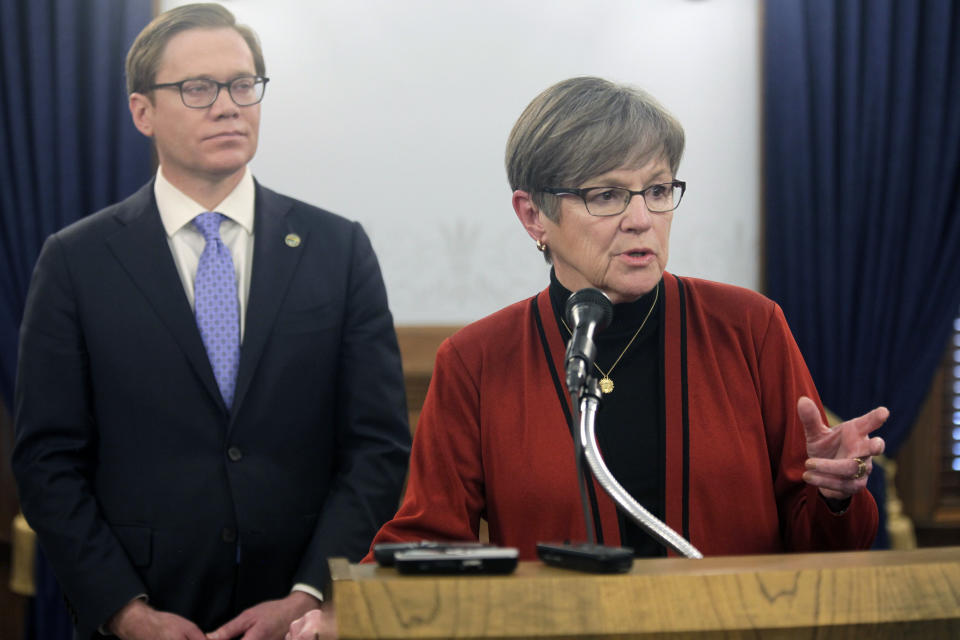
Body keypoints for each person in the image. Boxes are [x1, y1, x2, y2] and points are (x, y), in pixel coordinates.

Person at [286, 76, 888, 638]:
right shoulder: (477, 361)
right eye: (606, 195)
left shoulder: (748, 327)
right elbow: (427, 536)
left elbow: (823, 545)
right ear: (533, 216)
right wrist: (351, 612)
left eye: (656, 190)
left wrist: (837, 495)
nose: (640, 219)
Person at [12, 4, 410, 640]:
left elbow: (379, 447)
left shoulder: (338, 250)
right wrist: (124, 610)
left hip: (303, 612)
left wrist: (311, 593)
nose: (228, 105)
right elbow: (47, 461)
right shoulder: (76, 261)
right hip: (145, 604)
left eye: (243, 83)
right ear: (143, 112)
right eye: (197, 89)